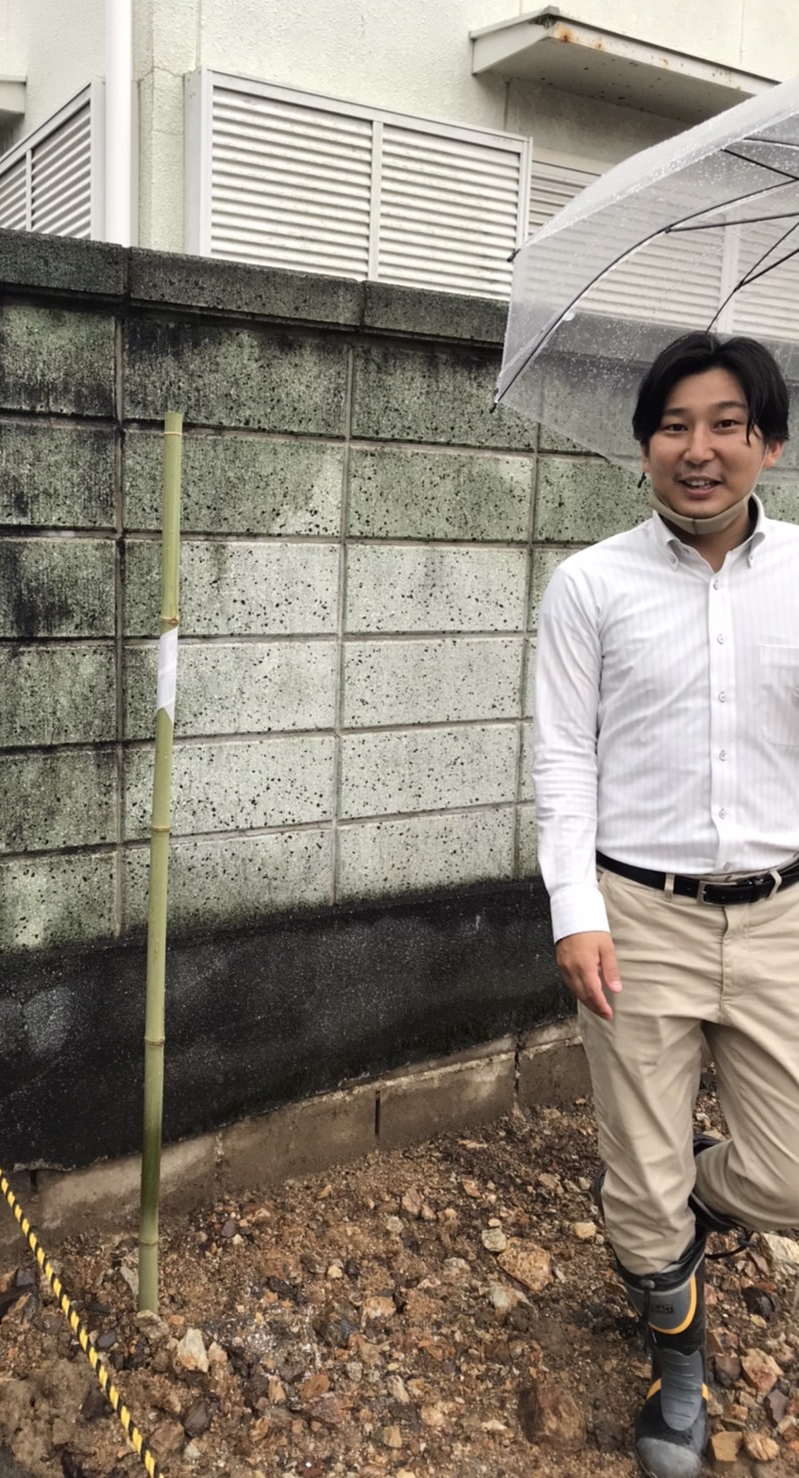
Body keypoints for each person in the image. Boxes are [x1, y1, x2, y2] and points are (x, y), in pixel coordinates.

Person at [533, 330, 799, 1477]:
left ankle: (680, 1191)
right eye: (674, 425)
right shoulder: (591, 583)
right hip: (635, 913)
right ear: (643, 444)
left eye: (726, 424)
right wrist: (570, 905)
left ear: (768, 445)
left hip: (784, 910)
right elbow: (559, 758)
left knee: (786, 1172)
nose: (699, 449)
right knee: (638, 1190)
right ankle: (677, 1359)